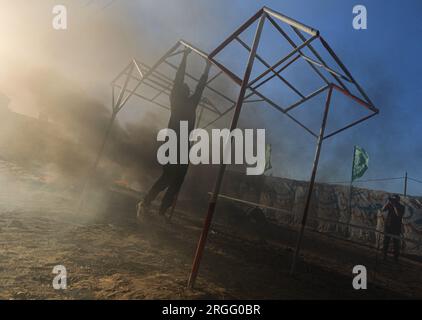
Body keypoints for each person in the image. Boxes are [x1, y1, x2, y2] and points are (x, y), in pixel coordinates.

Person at [137, 48, 211, 218]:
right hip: (172, 144)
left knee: (177, 181)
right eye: (184, 88)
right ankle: (145, 203)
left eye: (187, 89)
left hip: (184, 148)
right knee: (167, 177)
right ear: (180, 91)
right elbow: (179, 78)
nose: (187, 89)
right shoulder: (176, 100)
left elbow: (200, 87)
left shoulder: (191, 104)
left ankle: (162, 212)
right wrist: (184, 57)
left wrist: (207, 68)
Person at [381, 194, 405, 262]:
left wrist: (394, 206)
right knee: (386, 242)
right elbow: (383, 209)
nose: (394, 200)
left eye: (395, 199)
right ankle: (384, 256)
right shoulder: (390, 204)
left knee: (396, 243)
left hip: (396, 227)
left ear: (398, 200)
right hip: (388, 226)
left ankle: (395, 258)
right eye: (393, 199)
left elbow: (398, 215)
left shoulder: (402, 207)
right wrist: (388, 203)